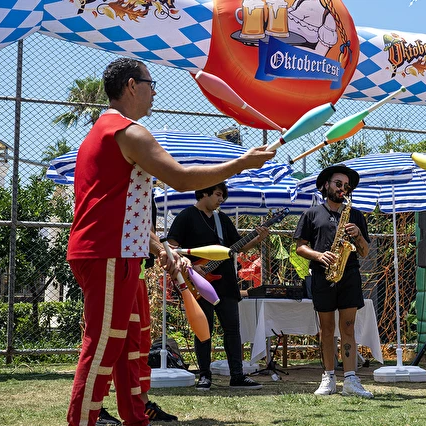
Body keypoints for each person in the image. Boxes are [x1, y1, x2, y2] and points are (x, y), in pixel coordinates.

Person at [66, 57, 275, 426]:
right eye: (151, 84)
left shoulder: (102, 133)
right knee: (104, 344)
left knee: (132, 342)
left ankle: (136, 416)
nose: (155, 92)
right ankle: (82, 420)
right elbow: (180, 179)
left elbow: (120, 210)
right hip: (110, 254)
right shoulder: (128, 132)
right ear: (132, 86)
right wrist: (240, 164)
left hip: (119, 252)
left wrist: (161, 248)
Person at [166, 183, 268, 391]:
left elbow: (238, 246)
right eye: (218, 195)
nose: (221, 200)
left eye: (223, 196)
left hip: (226, 283)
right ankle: (204, 375)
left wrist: (259, 238)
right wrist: (191, 267)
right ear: (204, 193)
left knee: (232, 330)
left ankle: (237, 376)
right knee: (204, 329)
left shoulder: (222, 220)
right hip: (198, 282)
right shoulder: (186, 216)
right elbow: (172, 247)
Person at [294, 165, 373, 398]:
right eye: (338, 184)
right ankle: (328, 377)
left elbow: (365, 252)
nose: (342, 189)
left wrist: (358, 235)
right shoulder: (311, 214)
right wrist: (319, 256)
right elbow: (300, 247)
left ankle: (350, 379)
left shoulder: (355, 215)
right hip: (323, 275)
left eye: (346, 186)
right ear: (326, 185)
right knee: (326, 329)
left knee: (348, 328)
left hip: (349, 275)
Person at [97, 200, 178, 426]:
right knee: (105, 344)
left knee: (140, 345)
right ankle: (96, 408)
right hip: (114, 270)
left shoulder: (145, 190)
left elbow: (144, 228)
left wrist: (162, 250)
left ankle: (141, 404)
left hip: (137, 274)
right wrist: (162, 250)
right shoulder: (122, 185)